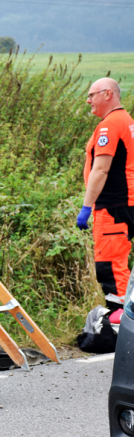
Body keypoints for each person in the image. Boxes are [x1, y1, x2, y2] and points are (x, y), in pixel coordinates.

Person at [77, 77, 134, 309]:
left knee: (110, 267)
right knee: (118, 265)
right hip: (126, 202)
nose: (89, 100)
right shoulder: (127, 121)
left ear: (108, 94)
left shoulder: (110, 125)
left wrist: (86, 207)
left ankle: (119, 327)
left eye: (92, 95)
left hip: (112, 207)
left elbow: (100, 170)